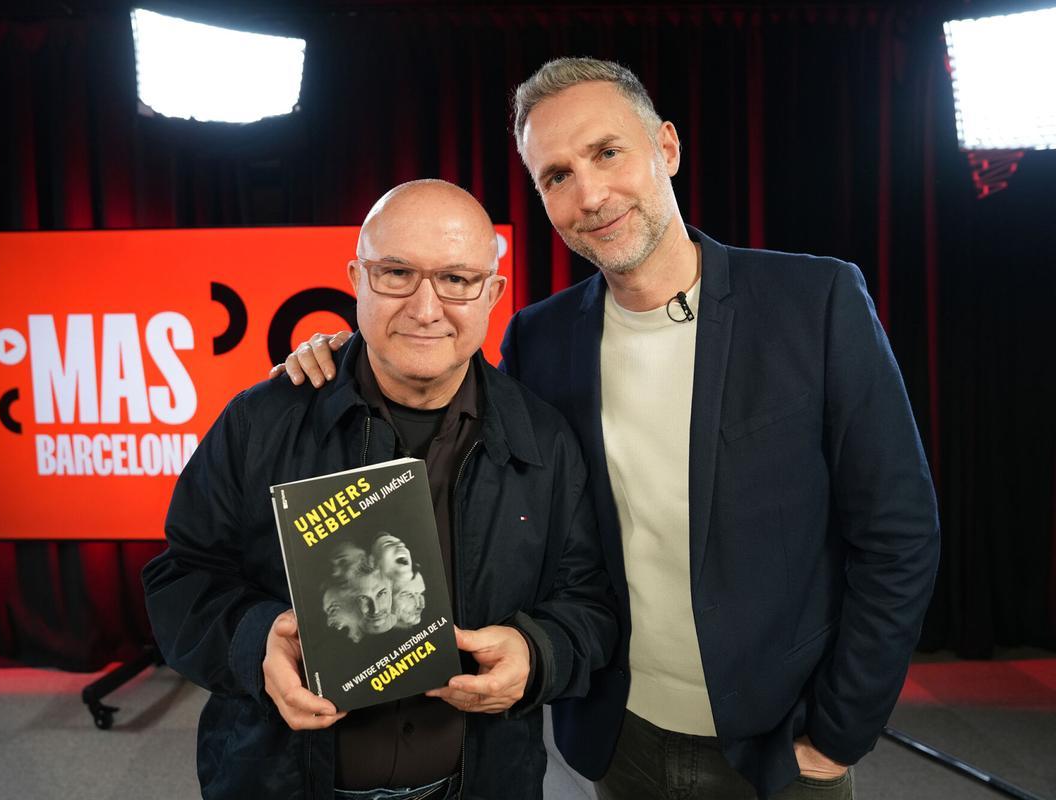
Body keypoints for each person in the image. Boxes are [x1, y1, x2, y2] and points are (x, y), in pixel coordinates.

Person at [273, 58, 940, 800]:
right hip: (616, 741)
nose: (588, 195)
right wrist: (349, 350)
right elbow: (438, 400)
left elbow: (899, 533)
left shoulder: (815, 301)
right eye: (555, 176)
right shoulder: (540, 338)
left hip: (781, 747)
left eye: (606, 153)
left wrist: (840, 730)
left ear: (668, 148)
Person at [143, 178, 616, 800]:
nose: (426, 308)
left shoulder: (546, 440)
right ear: (356, 279)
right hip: (281, 779)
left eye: (456, 279)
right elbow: (182, 576)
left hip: (480, 783)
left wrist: (539, 651)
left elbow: (591, 600)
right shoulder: (262, 420)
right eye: (396, 273)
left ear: (493, 293)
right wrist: (257, 643)